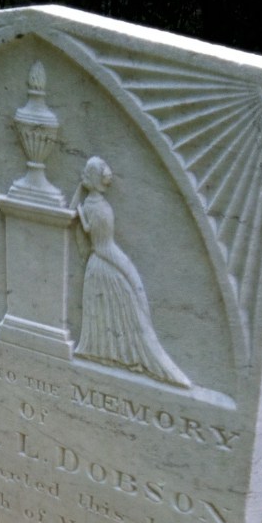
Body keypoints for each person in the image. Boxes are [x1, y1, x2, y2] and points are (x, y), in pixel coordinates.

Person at [71, 157, 191, 387]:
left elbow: (88, 231)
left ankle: (108, 353)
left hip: (101, 261)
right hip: (107, 257)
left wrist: (79, 206)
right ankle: (111, 354)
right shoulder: (103, 206)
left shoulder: (91, 207)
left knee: (111, 313)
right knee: (111, 312)